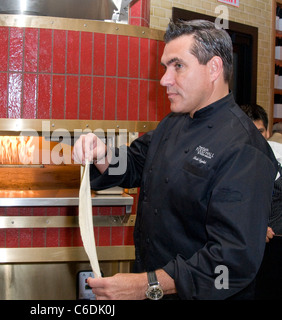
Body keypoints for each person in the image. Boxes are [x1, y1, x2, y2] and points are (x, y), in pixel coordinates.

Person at [73, 19, 278, 300]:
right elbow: (133, 164)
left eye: (178, 66)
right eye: (165, 67)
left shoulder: (244, 149)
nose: (164, 79)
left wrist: (146, 285)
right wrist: (102, 154)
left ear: (214, 68)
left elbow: (232, 262)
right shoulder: (174, 122)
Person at [240, 103, 282, 237]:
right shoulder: (231, 170)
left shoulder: (278, 159)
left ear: (268, 132)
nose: (256, 138)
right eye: (249, 132)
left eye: (260, 132)